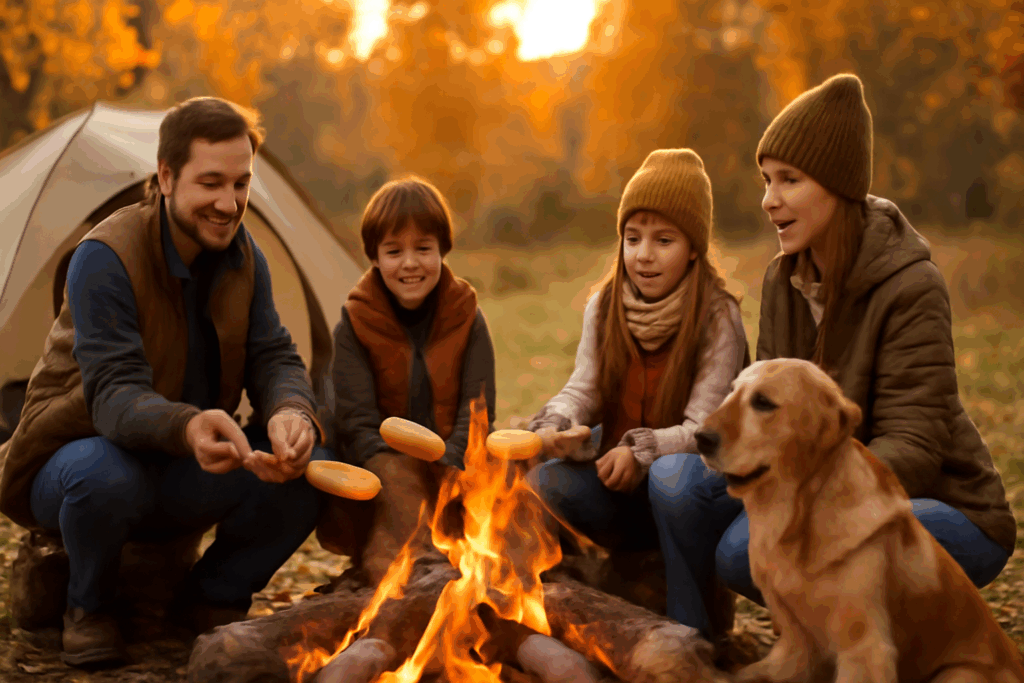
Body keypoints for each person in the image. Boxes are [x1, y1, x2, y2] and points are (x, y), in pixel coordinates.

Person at [648, 73, 1017, 647]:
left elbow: (915, 448)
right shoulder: (782, 278)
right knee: (674, 481)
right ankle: (694, 648)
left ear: (839, 188)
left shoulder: (911, 285)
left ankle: (867, 650)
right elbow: (765, 409)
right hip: (812, 481)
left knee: (744, 550)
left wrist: (795, 502)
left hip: (941, 510)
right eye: (767, 180)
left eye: (790, 180)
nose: (769, 199)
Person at [0, 97, 332, 667]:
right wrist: (189, 423)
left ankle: (208, 602)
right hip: (73, 461)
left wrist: (289, 413)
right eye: (211, 183)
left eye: (241, 183)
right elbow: (112, 397)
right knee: (106, 474)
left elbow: (273, 353)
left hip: (186, 467)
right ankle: (88, 608)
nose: (229, 204)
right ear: (167, 177)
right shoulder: (105, 257)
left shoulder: (245, 257)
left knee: (311, 469)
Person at [525, 148, 748, 619]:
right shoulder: (605, 306)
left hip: (688, 491)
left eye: (663, 240)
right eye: (633, 238)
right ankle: (568, 608)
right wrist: (554, 424)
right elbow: (582, 388)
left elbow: (705, 429)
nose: (643, 255)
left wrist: (641, 450)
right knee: (544, 481)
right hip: (620, 489)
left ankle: (694, 627)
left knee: (670, 479)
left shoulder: (716, 315)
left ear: (693, 248)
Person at [319, 175, 496, 584]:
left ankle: (515, 571)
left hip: (455, 457)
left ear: (442, 251)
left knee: (513, 471)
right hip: (382, 464)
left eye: (423, 249)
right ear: (375, 258)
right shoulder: (355, 321)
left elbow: (479, 407)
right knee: (396, 475)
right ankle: (418, 570)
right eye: (394, 251)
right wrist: (407, 468)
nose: (410, 263)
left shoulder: (467, 315)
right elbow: (357, 422)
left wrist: (452, 462)